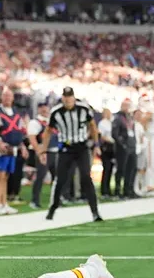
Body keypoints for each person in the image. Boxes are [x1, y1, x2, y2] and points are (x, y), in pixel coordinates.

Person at [37, 87, 102, 222]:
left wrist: (96, 144)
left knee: (86, 177)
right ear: (62, 98)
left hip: (81, 147)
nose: (68, 100)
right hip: (66, 148)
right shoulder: (56, 112)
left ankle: (95, 212)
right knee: (60, 179)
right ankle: (53, 208)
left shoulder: (83, 109)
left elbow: (92, 126)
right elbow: (48, 130)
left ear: (73, 97)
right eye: (65, 97)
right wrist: (43, 149)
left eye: (70, 97)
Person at [0, 88, 27, 215]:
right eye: (5, 96)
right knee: (0, 175)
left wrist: (22, 146)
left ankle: (4, 202)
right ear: (1, 98)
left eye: (9, 96)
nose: (7, 98)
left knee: (6, 176)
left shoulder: (16, 112)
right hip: (1, 147)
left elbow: (19, 131)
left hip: (13, 147)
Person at [27, 101, 54, 209]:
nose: (44, 109)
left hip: (54, 151)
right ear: (38, 109)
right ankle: (35, 200)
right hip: (43, 152)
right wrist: (40, 152)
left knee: (57, 177)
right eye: (42, 107)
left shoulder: (52, 121)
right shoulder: (35, 122)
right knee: (40, 177)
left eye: (46, 107)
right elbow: (32, 139)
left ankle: (56, 199)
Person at [97, 108, 114, 197]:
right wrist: (111, 141)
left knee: (110, 168)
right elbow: (101, 136)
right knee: (106, 168)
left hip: (112, 147)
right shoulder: (102, 123)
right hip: (106, 147)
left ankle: (108, 189)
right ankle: (104, 190)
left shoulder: (110, 123)